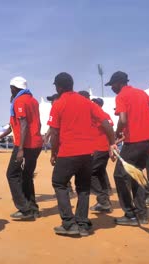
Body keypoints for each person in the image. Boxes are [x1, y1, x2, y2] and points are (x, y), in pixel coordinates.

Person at [47, 72, 116, 236]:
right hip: (88, 154)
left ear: (60, 87)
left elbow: (54, 133)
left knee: (59, 183)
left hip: (68, 152)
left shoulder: (58, 104)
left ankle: (69, 224)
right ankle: (83, 223)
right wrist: (112, 142)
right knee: (83, 188)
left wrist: (53, 153)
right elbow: (106, 123)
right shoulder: (86, 102)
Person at [106, 71, 149, 226]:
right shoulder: (141, 93)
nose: (112, 88)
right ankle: (142, 215)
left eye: (112, 85)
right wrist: (146, 123)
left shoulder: (122, 96)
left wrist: (117, 132)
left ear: (119, 83)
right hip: (146, 142)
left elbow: (122, 119)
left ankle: (130, 214)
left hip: (133, 142)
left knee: (119, 175)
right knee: (136, 175)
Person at [0, 76, 43, 220]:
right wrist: (1, 136)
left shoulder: (20, 101)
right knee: (27, 176)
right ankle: (33, 208)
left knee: (12, 174)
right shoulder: (32, 100)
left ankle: (24, 208)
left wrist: (20, 148)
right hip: (36, 144)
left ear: (14, 88)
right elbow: (14, 125)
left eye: (11, 88)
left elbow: (24, 124)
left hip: (25, 145)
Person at [89, 98, 115, 213]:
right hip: (101, 149)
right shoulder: (105, 115)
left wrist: (111, 146)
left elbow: (110, 129)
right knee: (100, 174)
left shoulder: (98, 115)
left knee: (89, 173)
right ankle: (104, 201)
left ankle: (103, 200)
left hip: (99, 149)